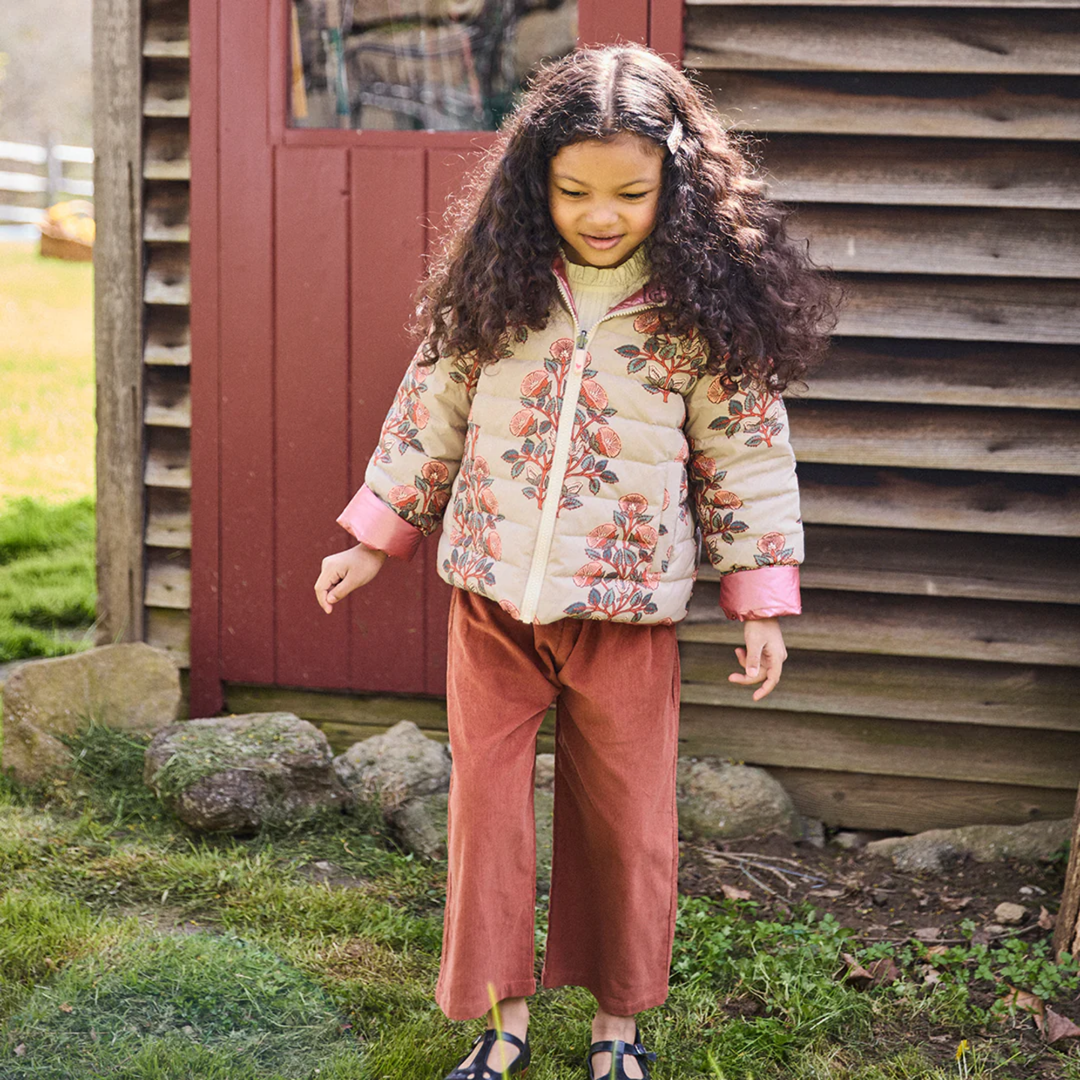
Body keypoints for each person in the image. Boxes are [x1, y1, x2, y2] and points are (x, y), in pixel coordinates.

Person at [314, 43, 838, 1080]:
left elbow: (748, 456)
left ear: (676, 186)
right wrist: (375, 535)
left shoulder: (702, 310)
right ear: (535, 182)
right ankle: (501, 1024)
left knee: (628, 824)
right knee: (486, 815)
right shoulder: (499, 286)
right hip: (491, 597)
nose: (602, 214)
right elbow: (433, 413)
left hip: (627, 607)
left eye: (632, 194)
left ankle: (616, 1034)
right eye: (576, 192)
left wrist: (760, 598)